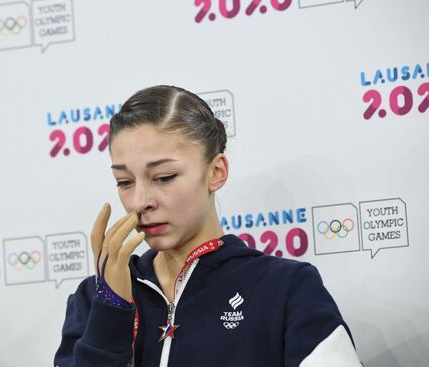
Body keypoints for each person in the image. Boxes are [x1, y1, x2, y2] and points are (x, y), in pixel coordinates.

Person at [54, 85, 362, 366]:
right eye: (124, 181)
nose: (139, 202)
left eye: (164, 177)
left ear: (216, 172)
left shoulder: (286, 289)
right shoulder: (92, 300)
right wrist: (111, 309)